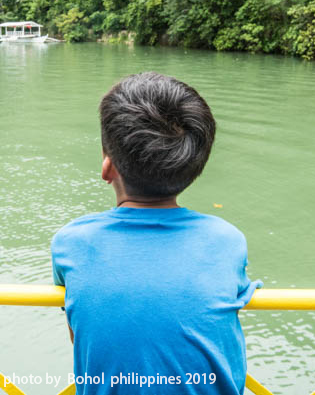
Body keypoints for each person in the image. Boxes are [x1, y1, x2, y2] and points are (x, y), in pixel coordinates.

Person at [51, 72, 261, 395]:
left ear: (108, 168)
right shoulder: (227, 241)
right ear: (193, 169)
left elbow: (80, 335)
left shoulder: (71, 243)